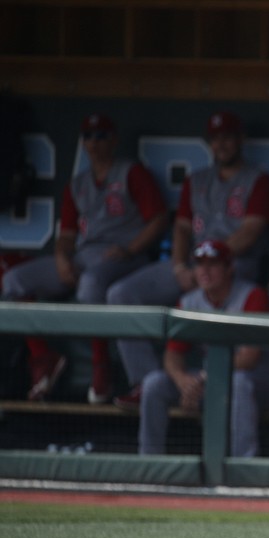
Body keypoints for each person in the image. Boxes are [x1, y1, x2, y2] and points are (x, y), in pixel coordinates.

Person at [109, 111, 269, 410]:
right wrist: (179, 266)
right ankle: (148, 383)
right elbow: (183, 227)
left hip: (236, 265)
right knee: (120, 294)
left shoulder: (258, 180)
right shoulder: (197, 180)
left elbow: (251, 231)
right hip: (193, 265)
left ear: (240, 140)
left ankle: (204, 383)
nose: (222, 144)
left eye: (228, 137)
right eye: (216, 138)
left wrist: (210, 265)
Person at [1, 113, 168, 403]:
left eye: (101, 135)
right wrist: (63, 259)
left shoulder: (131, 172)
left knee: (90, 285)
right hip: (83, 256)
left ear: (113, 139)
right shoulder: (77, 184)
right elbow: (66, 234)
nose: (94, 142)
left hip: (124, 257)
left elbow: (158, 219)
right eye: (88, 137)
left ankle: (100, 366)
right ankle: (43, 358)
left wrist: (131, 248)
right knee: (15, 280)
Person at [139, 240, 269, 457]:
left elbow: (249, 358)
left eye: (213, 264)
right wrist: (183, 382)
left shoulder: (253, 296)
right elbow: (172, 354)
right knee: (154, 383)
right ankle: (149, 463)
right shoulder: (189, 302)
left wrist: (202, 378)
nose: (204, 271)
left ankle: (242, 465)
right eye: (199, 264)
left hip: (262, 381)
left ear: (230, 268)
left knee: (239, 383)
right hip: (209, 380)